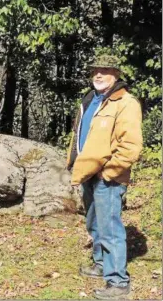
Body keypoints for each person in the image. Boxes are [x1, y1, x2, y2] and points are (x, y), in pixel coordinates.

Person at [66, 54, 143, 299]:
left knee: (110, 228)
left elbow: (131, 145)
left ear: (117, 74)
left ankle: (118, 282)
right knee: (94, 224)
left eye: (105, 70)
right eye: (95, 70)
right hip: (88, 172)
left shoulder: (125, 102)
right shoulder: (92, 99)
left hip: (107, 177)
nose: (98, 74)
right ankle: (101, 263)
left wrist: (109, 171)